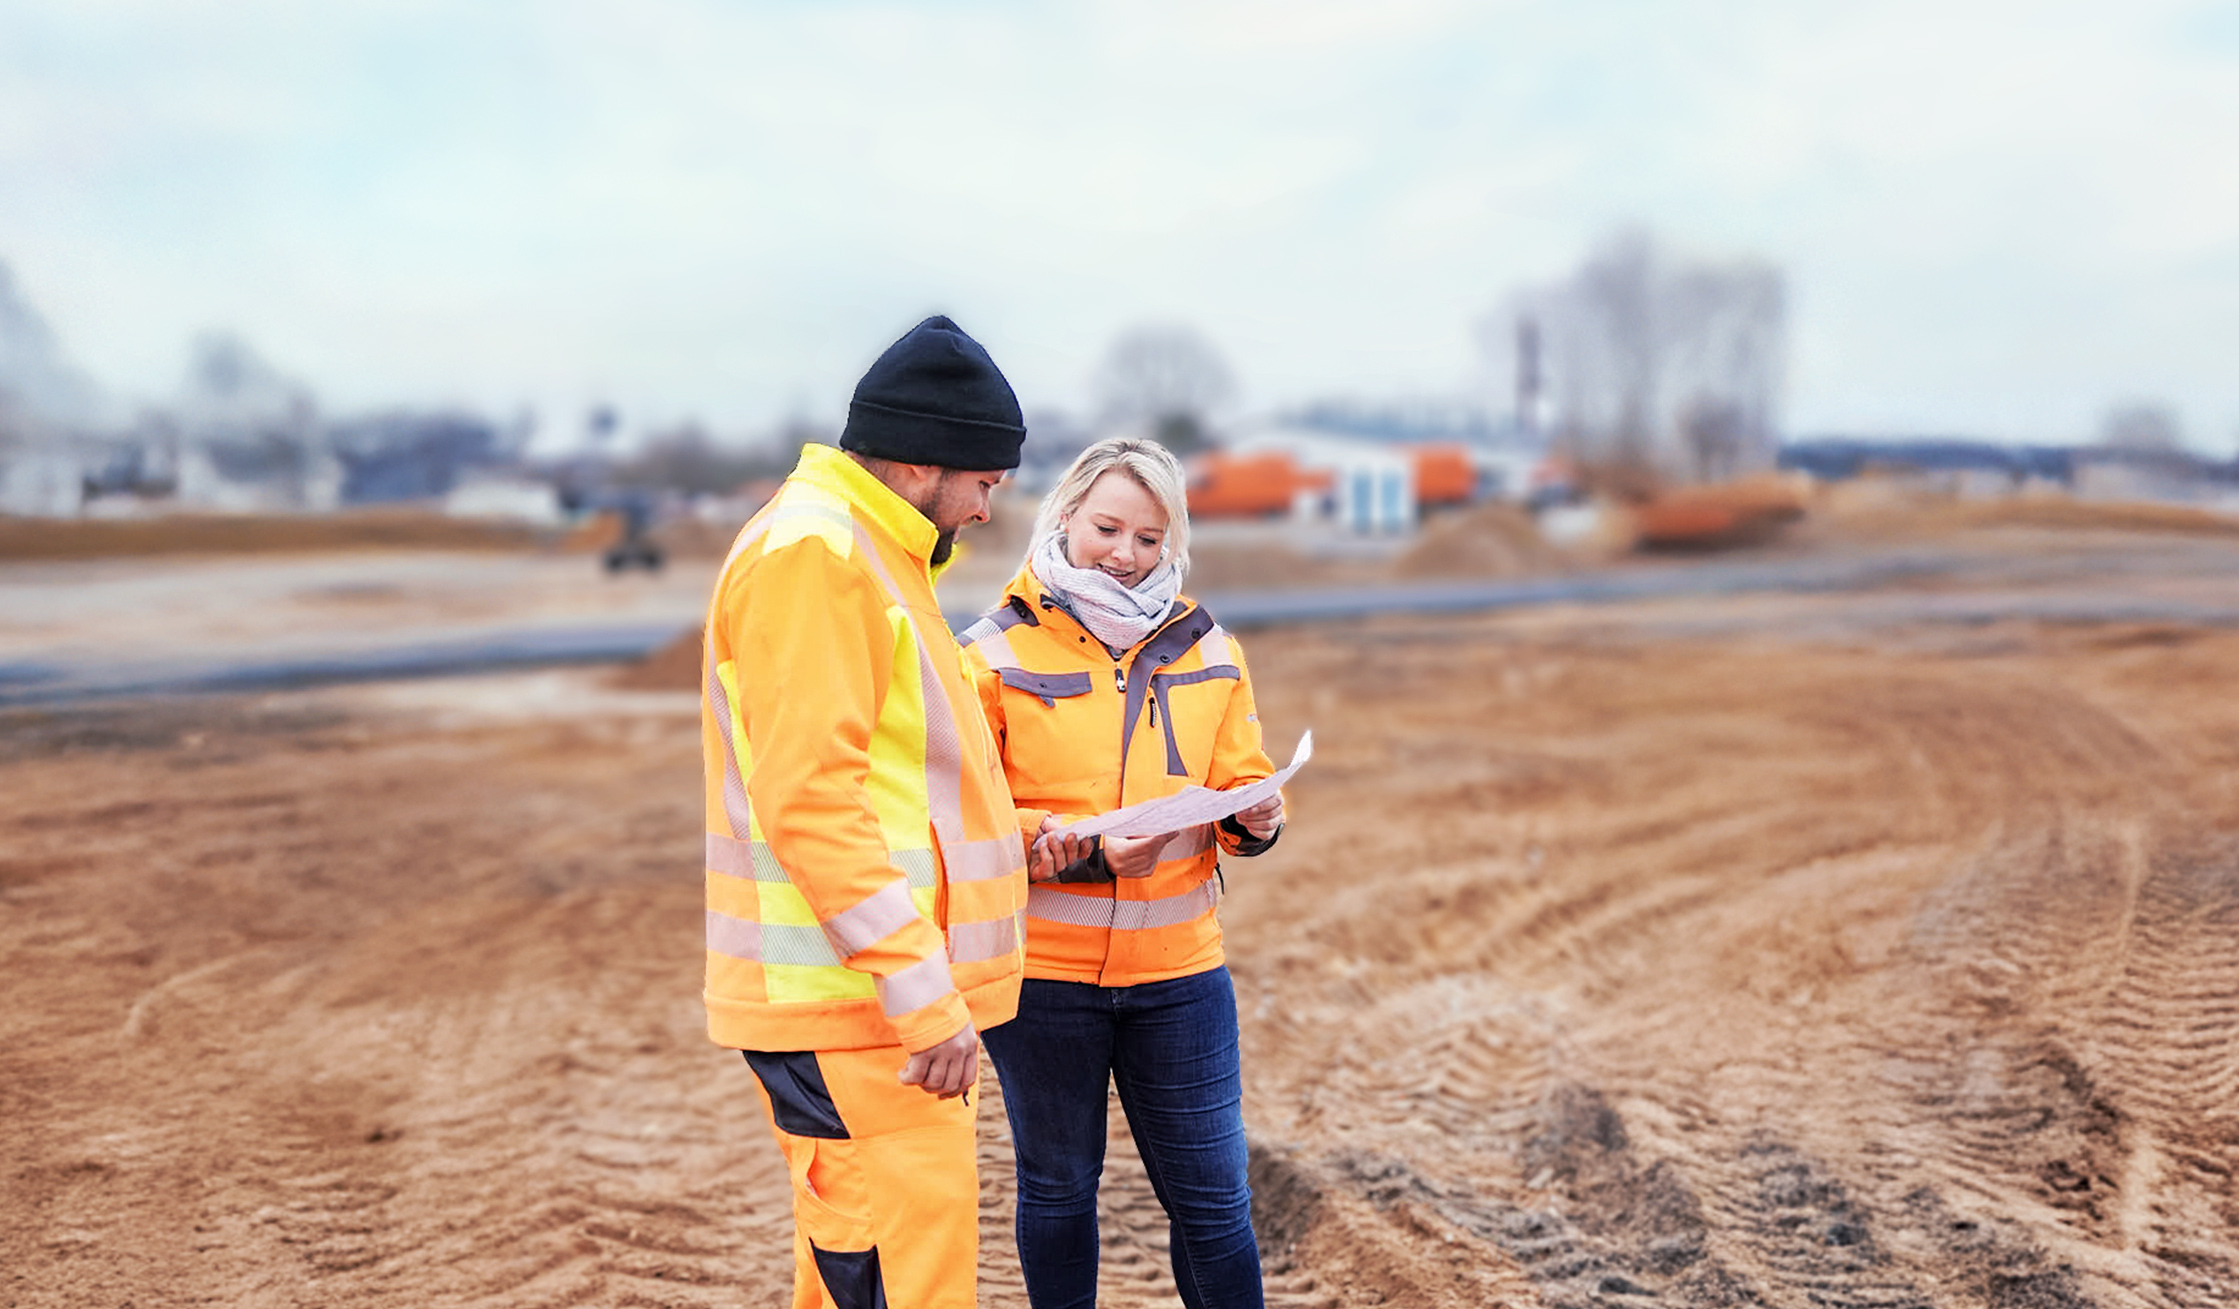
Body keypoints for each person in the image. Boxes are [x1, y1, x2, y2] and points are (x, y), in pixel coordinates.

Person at [701, 315, 1031, 1309]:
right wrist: (920, 991)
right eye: (985, 481)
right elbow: (810, 798)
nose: (986, 508)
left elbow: (908, 780)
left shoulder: (872, 554)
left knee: (875, 1265)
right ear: (923, 462)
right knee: (901, 1276)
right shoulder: (820, 555)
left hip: (873, 1004)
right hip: (862, 1006)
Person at [960, 436, 1286, 1309]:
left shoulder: (1208, 644)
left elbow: (1239, 778)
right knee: (1059, 1191)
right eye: (1109, 527)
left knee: (1216, 1203)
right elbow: (964, 821)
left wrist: (1256, 818)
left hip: (1181, 978)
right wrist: (1079, 845)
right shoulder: (987, 652)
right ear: (1065, 515)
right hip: (1044, 983)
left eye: (1150, 538)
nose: (1126, 553)